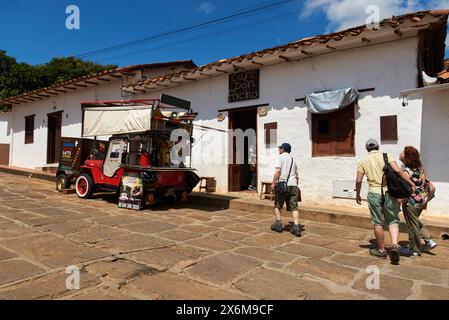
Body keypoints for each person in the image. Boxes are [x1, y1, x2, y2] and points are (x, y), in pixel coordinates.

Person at [356, 139, 415, 264]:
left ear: (367, 149)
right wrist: (411, 183)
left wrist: (357, 193)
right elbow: (398, 171)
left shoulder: (363, 161)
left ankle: (382, 250)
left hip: (374, 193)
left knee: (378, 222)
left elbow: (358, 180)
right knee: (393, 220)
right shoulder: (386, 156)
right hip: (389, 193)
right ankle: (394, 245)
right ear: (377, 147)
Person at [399, 146, 437, 256]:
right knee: (412, 223)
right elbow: (429, 185)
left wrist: (400, 200)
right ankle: (424, 242)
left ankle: (415, 249)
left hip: (411, 202)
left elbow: (404, 188)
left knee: (413, 224)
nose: (401, 153)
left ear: (407, 158)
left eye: (403, 153)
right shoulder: (420, 168)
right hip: (422, 201)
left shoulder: (407, 171)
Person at [271, 143, 301, 237]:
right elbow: (297, 176)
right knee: (294, 207)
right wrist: (296, 186)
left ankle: (278, 224)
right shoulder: (293, 159)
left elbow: (278, 171)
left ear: (283, 149)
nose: (279, 149)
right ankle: (296, 227)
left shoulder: (280, 157)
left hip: (283, 185)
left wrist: (273, 182)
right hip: (293, 185)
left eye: (280, 148)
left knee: (277, 205)